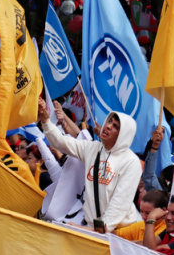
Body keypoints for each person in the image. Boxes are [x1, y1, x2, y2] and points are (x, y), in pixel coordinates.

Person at [38, 97, 142, 232]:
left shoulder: (131, 161)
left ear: (124, 135)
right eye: (109, 121)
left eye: (116, 126)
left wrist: (96, 230)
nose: (108, 126)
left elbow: (120, 203)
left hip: (121, 232)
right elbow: (61, 143)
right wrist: (46, 121)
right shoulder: (92, 148)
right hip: (93, 230)